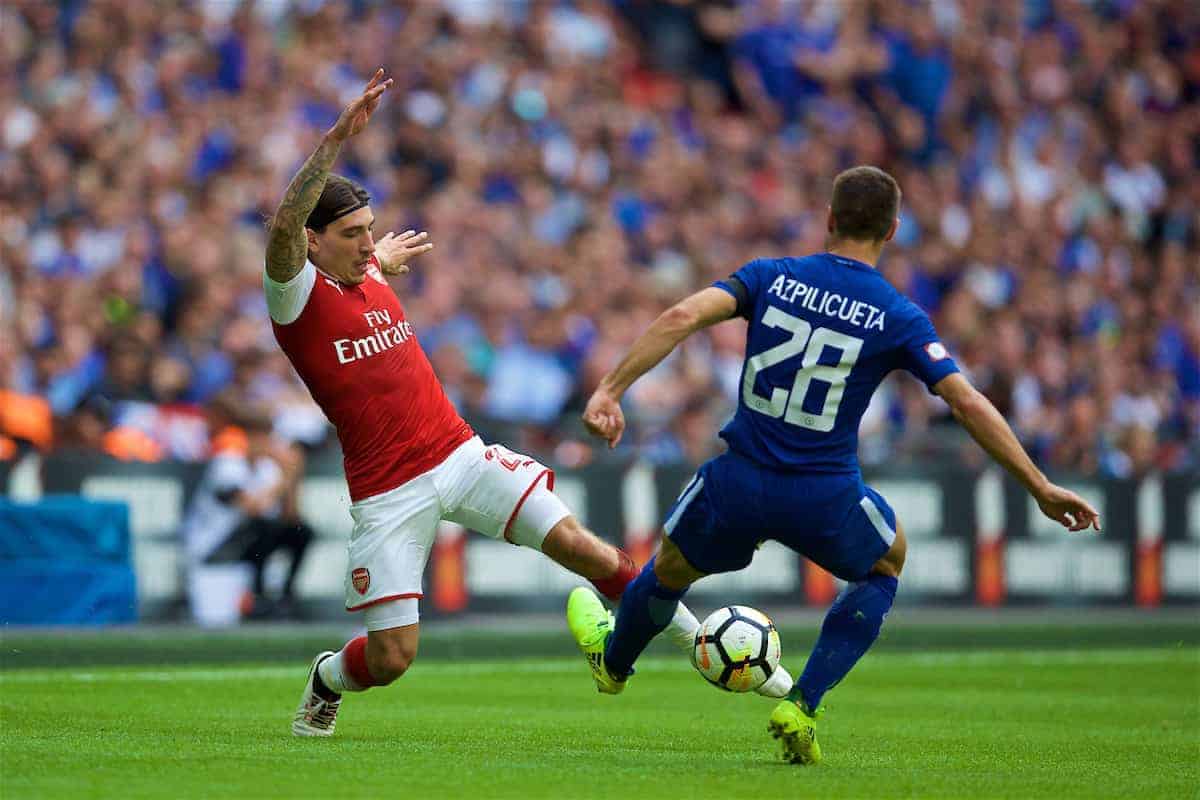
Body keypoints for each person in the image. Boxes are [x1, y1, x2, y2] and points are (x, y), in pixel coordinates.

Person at [264, 71, 781, 737]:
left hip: (459, 452)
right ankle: (327, 677)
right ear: (312, 241)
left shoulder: (364, 268)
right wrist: (338, 137)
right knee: (392, 659)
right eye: (352, 233)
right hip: (388, 488)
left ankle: (700, 647)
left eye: (371, 230)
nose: (368, 242)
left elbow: (367, 261)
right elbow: (284, 221)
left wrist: (378, 257)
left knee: (584, 549)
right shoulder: (294, 295)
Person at [566, 165, 1102, 765]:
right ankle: (803, 702)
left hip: (739, 480)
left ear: (829, 219)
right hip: (823, 495)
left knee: (668, 568)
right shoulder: (897, 316)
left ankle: (613, 665)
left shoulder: (771, 276)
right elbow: (965, 400)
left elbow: (680, 318)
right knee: (886, 561)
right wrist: (1038, 484)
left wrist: (610, 389)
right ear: (893, 230)